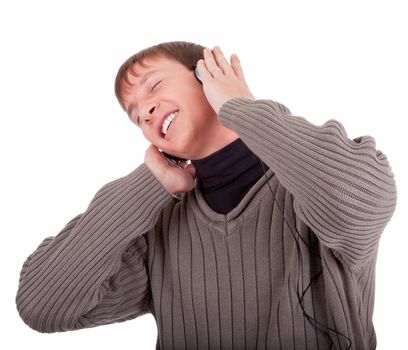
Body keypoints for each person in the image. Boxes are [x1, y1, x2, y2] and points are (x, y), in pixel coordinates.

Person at [15, 41, 397, 350]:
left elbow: (361, 196)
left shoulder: (311, 189)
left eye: (155, 86)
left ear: (207, 75)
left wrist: (241, 108)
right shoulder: (158, 232)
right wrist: (150, 184)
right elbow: (41, 305)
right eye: (134, 116)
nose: (145, 113)